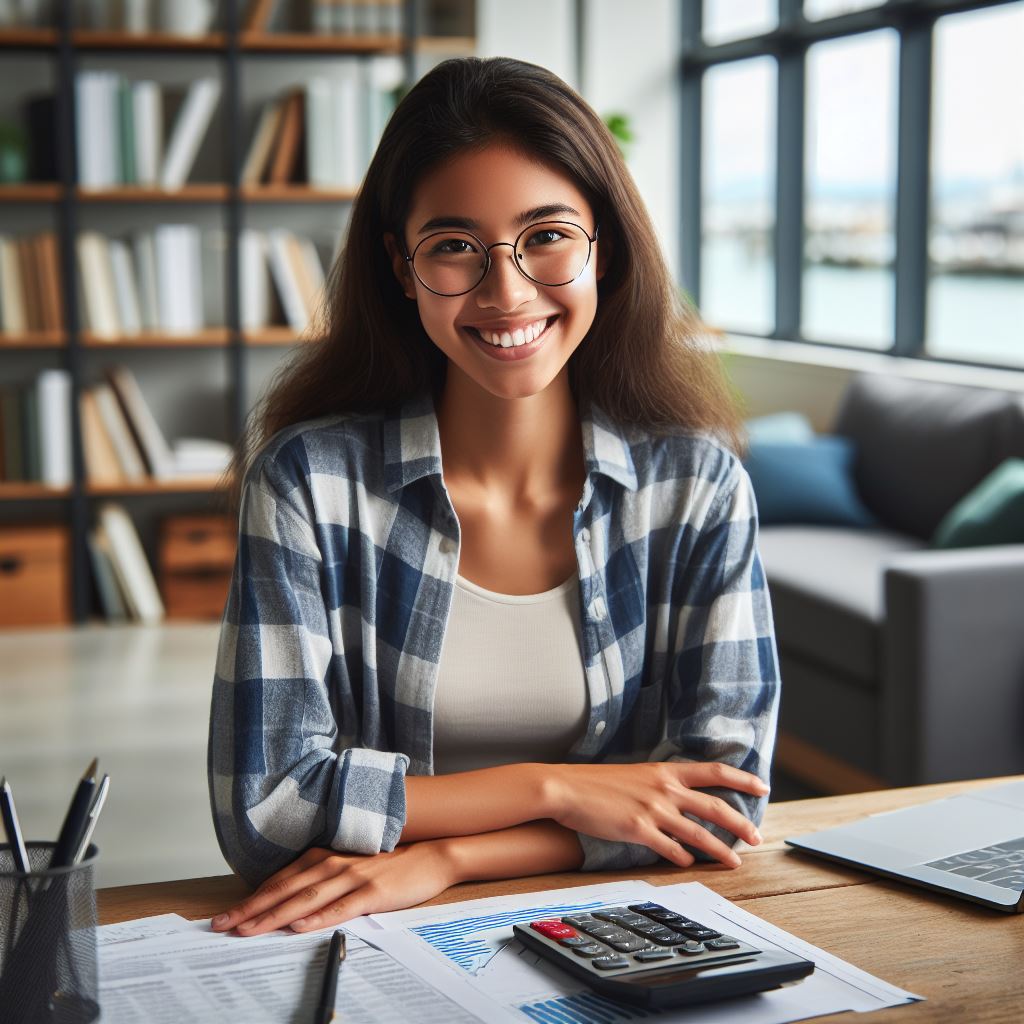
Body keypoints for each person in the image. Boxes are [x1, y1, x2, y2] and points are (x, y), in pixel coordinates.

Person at [208, 56, 779, 938]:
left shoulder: (696, 486)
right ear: (403, 268)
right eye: (454, 246)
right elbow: (269, 804)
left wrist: (449, 856)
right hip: (375, 941)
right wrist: (554, 789)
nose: (506, 290)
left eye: (547, 235)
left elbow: (717, 804)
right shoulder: (308, 484)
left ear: (606, 248)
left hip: (608, 928)